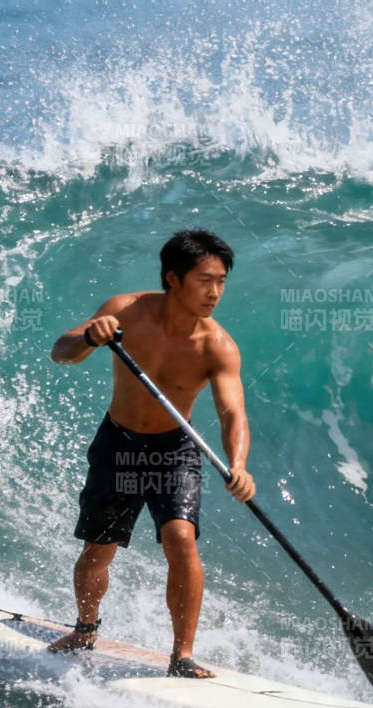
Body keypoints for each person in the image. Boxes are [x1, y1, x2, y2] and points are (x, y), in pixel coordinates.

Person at [45, 230, 255, 678]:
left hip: (174, 449)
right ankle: (85, 629)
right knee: (98, 550)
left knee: (181, 538)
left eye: (221, 281)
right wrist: (89, 338)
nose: (214, 292)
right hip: (118, 444)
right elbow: (61, 353)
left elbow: (232, 412)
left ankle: (182, 656)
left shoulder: (217, 345)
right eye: (204, 280)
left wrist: (238, 464)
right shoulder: (124, 312)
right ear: (172, 279)